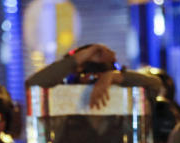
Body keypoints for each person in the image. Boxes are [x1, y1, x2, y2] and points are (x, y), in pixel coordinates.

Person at [25, 43, 161, 109]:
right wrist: (75, 59)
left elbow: (155, 85)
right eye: (86, 74)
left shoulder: (124, 94)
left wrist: (114, 77)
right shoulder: (64, 96)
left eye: (98, 75)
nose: (92, 80)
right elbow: (32, 85)